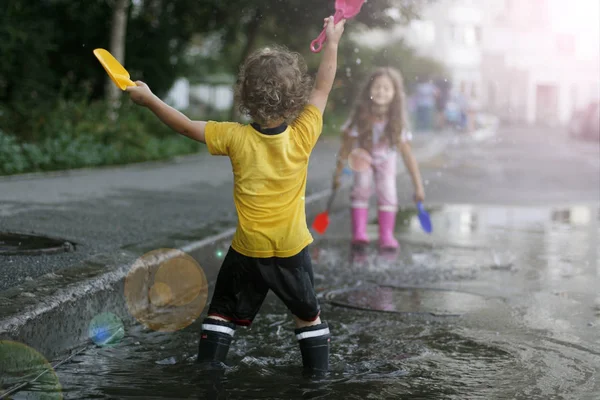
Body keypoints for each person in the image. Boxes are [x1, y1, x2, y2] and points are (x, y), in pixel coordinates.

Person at [126, 16, 346, 376]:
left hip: (248, 248)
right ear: (295, 101)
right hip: (292, 248)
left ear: (245, 96)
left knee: (222, 311)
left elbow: (184, 125)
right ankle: (317, 378)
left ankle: (209, 373)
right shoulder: (304, 133)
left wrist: (150, 99)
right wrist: (333, 41)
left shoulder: (234, 137)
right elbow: (323, 88)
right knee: (307, 314)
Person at [332, 67, 425, 250]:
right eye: (377, 87)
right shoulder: (361, 117)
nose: (381, 91)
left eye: (386, 88)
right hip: (363, 156)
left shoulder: (396, 121)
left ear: (394, 94)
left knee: (388, 191)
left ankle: (386, 235)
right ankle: (359, 232)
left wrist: (418, 186)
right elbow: (346, 148)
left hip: (386, 159)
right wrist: (337, 174)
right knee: (362, 185)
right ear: (369, 90)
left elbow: (407, 156)